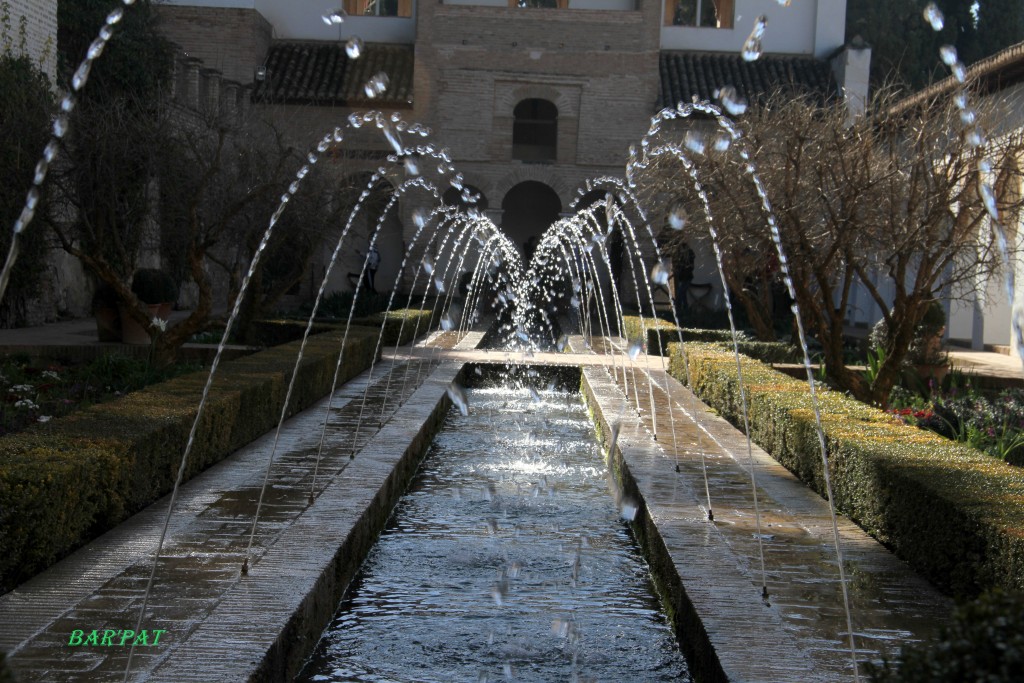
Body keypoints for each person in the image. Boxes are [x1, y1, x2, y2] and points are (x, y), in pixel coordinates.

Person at [673, 242, 695, 317]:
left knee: (680, 293)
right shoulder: (680, 255)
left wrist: (684, 267)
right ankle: (684, 309)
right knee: (682, 293)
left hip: (687, 277)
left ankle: (682, 308)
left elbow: (690, 267)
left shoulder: (689, 255)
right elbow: (678, 265)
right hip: (682, 277)